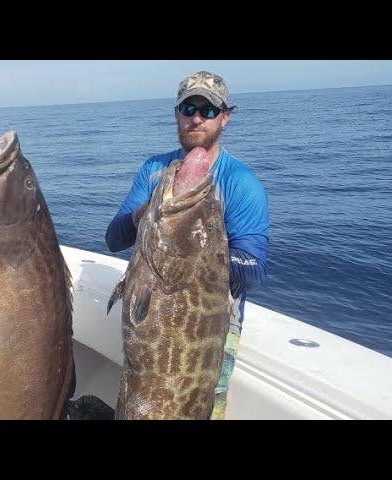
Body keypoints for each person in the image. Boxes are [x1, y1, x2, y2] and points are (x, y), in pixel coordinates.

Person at [105, 71, 270, 419]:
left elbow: (255, 270)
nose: (197, 118)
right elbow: (114, 239)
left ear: (225, 117)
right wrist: (143, 217)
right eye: (189, 108)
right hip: (151, 317)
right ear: (177, 113)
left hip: (207, 332)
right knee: (137, 398)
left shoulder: (241, 182)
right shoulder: (154, 169)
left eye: (209, 111)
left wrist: (201, 248)